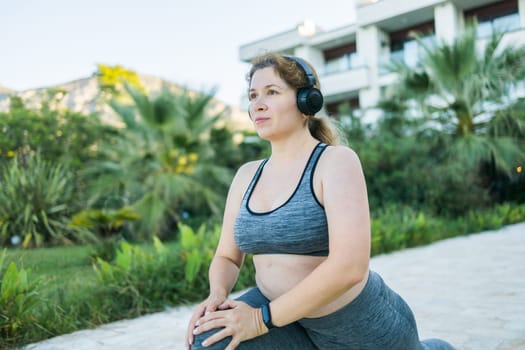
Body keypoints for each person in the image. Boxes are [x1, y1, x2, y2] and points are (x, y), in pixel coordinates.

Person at [185, 52, 455, 350]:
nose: (258, 104)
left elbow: (350, 267)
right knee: (210, 339)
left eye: (271, 92)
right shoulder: (246, 176)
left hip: (357, 327)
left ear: (307, 102)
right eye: (253, 95)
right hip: (284, 321)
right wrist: (217, 295)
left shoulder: (335, 162)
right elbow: (227, 256)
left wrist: (259, 320)